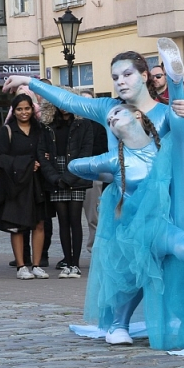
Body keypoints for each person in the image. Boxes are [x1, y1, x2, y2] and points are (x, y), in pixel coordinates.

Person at [4, 44, 184, 350]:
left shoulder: (165, 113)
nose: (120, 82)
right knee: (134, 264)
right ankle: (118, 322)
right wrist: (30, 81)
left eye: (127, 74)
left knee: (155, 256)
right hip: (127, 201)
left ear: (145, 76)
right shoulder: (109, 110)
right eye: (115, 77)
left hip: (166, 199)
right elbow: (71, 101)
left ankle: (124, 322)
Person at [0, 93, 51, 280]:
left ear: (32, 109)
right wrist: (27, 163)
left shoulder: (41, 130)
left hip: (38, 182)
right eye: (20, 109)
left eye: (27, 108)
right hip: (15, 184)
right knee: (17, 225)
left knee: (39, 223)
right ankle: (21, 265)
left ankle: (37, 265)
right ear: (14, 111)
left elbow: (46, 152)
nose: (24, 112)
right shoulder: (7, 131)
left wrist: (44, 159)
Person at [42, 99, 95, 278]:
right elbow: (42, 154)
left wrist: (69, 177)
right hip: (56, 173)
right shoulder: (47, 125)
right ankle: (67, 261)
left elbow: (86, 151)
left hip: (77, 172)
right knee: (62, 221)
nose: (63, 106)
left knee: (75, 220)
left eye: (67, 102)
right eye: (59, 102)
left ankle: (76, 264)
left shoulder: (83, 123)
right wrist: (56, 179)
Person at [80, 88, 108, 252]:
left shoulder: (101, 123)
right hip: (77, 172)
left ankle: (96, 248)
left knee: (95, 214)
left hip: (96, 173)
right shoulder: (76, 123)